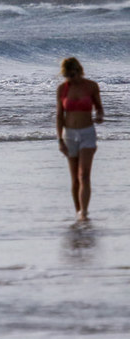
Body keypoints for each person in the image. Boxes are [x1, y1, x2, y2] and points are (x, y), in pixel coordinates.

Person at [56, 57, 104, 221]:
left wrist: (99, 116)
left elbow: (99, 109)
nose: (71, 78)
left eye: (73, 74)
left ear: (79, 71)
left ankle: (84, 212)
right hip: (69, 135)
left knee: (84, 175)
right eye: (67, 75)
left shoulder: (91, 86)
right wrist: (59, 140)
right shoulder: (62, 89)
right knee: (75, 179)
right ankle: (78, 212)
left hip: (87, 133)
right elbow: (59, 116)